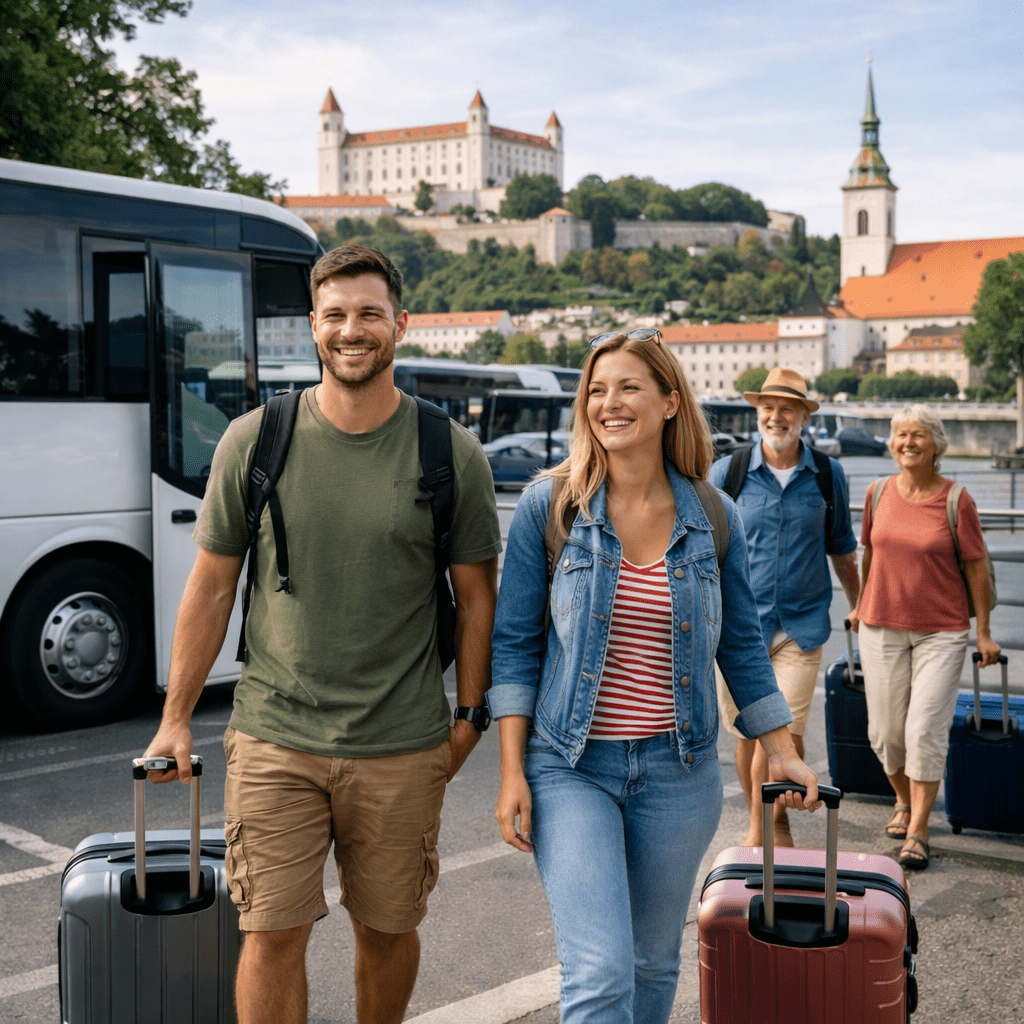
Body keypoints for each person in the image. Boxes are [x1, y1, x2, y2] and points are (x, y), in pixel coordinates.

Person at [143, 244, 502, 1024]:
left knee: (387, 931)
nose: (351, 330)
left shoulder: (449, 452)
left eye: (370, 313)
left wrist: (470, 721)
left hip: (401, 743)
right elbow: (211, 586)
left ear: (400, 325)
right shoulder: (255, 439)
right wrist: (175, 719)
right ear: (313, 326)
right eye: (335, 314)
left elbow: (478, 600)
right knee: (270, 934)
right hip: (275, 737)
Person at [488, 330, 821, 1024]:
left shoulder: (715, 516)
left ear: (670, 401)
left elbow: (741, 646)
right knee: (599, 969)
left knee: (651, 962)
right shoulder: (550, 506)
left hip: (678, 770)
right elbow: (515, 647)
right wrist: (512, 771)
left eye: (628, 387)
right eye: (596, 390)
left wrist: (782, 749)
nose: (608, 403)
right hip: (570, 765)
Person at [708, 368, 860, 847]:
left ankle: (765, 829)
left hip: (801, 626)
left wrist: (860, 605)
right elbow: (702, 547)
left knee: (783, 732)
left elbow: (842, 547)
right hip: (738, 630)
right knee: (748, 734)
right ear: (758, 413)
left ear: (803, 417)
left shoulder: (827, 475)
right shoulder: (727, 473)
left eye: (787, 409)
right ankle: (772, 824)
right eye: (768, 407)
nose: (776, 416)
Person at [848, 404, 1000, 871]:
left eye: (918, 435)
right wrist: (859, 602)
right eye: (900, 435)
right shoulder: (877, 492)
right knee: (885, 733)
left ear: (936, 444)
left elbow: (976, 567)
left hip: (942, 630)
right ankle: (903, 798)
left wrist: (984, 632)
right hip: (880, 623)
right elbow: (870, 554)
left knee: (923, 730)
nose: (908, 443)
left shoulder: (957, 499)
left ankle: (919, 828)